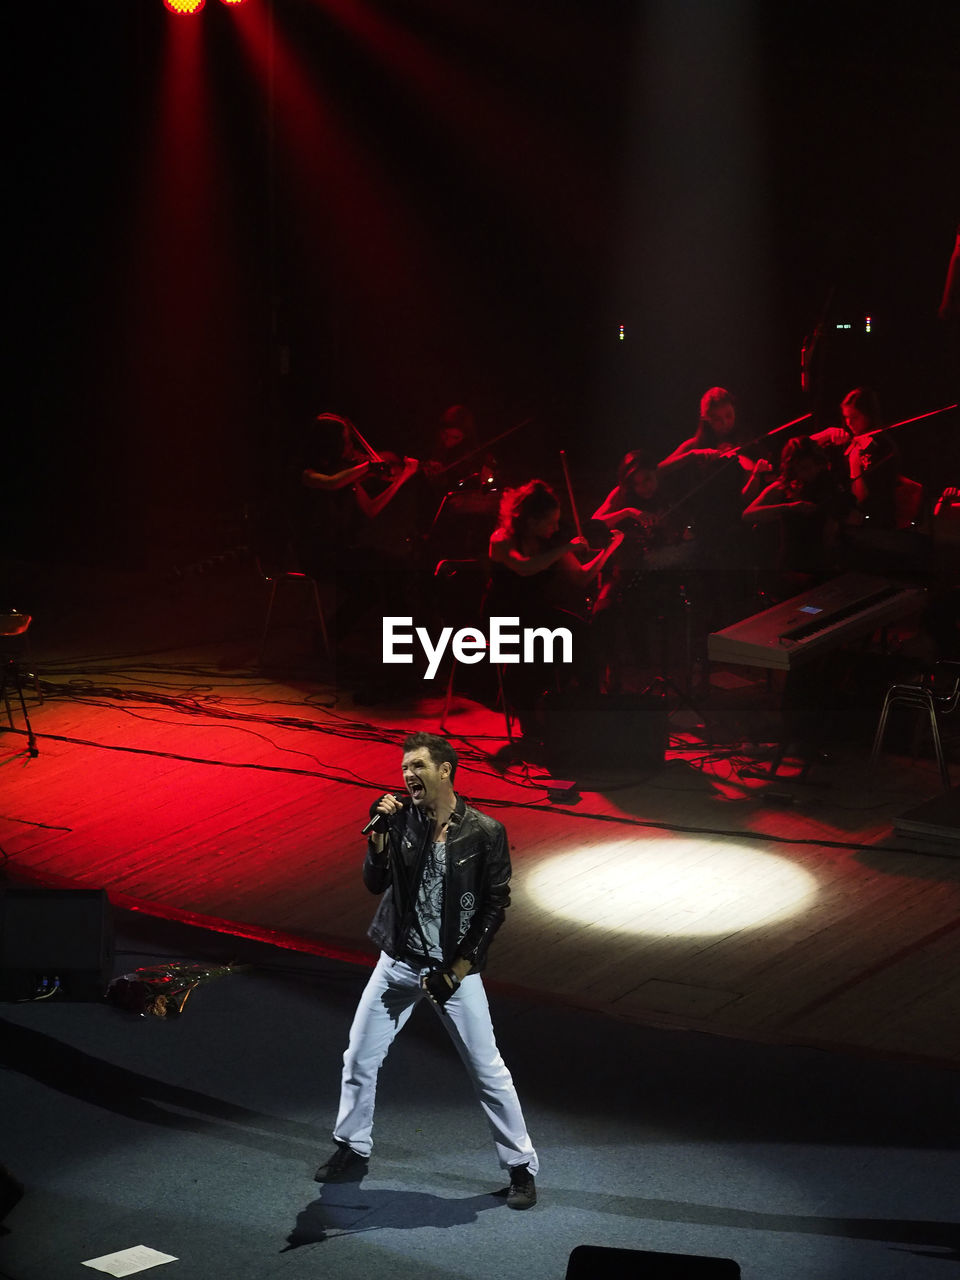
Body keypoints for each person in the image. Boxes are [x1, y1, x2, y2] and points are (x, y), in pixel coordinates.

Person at [314, 733, 539, 1210]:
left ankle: (521, 1167)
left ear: (445, 770)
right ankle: (352, 1147)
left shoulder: (483, 832)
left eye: (418, 766)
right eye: (404, 769)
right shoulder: (401, 823)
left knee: (487, 1069)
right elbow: (376, 883)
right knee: (358, 1058)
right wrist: (377, 836)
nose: (408, 775)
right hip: (398, 962)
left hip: (452, 971)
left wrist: (458, 968)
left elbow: (495, 906)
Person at [486, 479, 624, 739]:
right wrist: (565, 547)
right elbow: (525, 567)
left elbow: (581, 577)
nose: (556, 527)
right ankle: (531, 719)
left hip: (537, 614)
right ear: (531, 521)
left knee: (585, 637)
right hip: (505, 617)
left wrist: (608, 550)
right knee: (538, 646)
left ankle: (584, 711)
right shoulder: (501, 538)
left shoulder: (551, 542)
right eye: (551, 522)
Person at [742, 435, 852, 588]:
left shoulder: (830, 483)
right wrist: (789, 508)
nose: (802, 474)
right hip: (794, 565)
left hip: (827, 564)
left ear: (818, 464)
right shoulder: (783, 486)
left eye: (807, 468)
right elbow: (748, 514)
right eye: (797, 469)